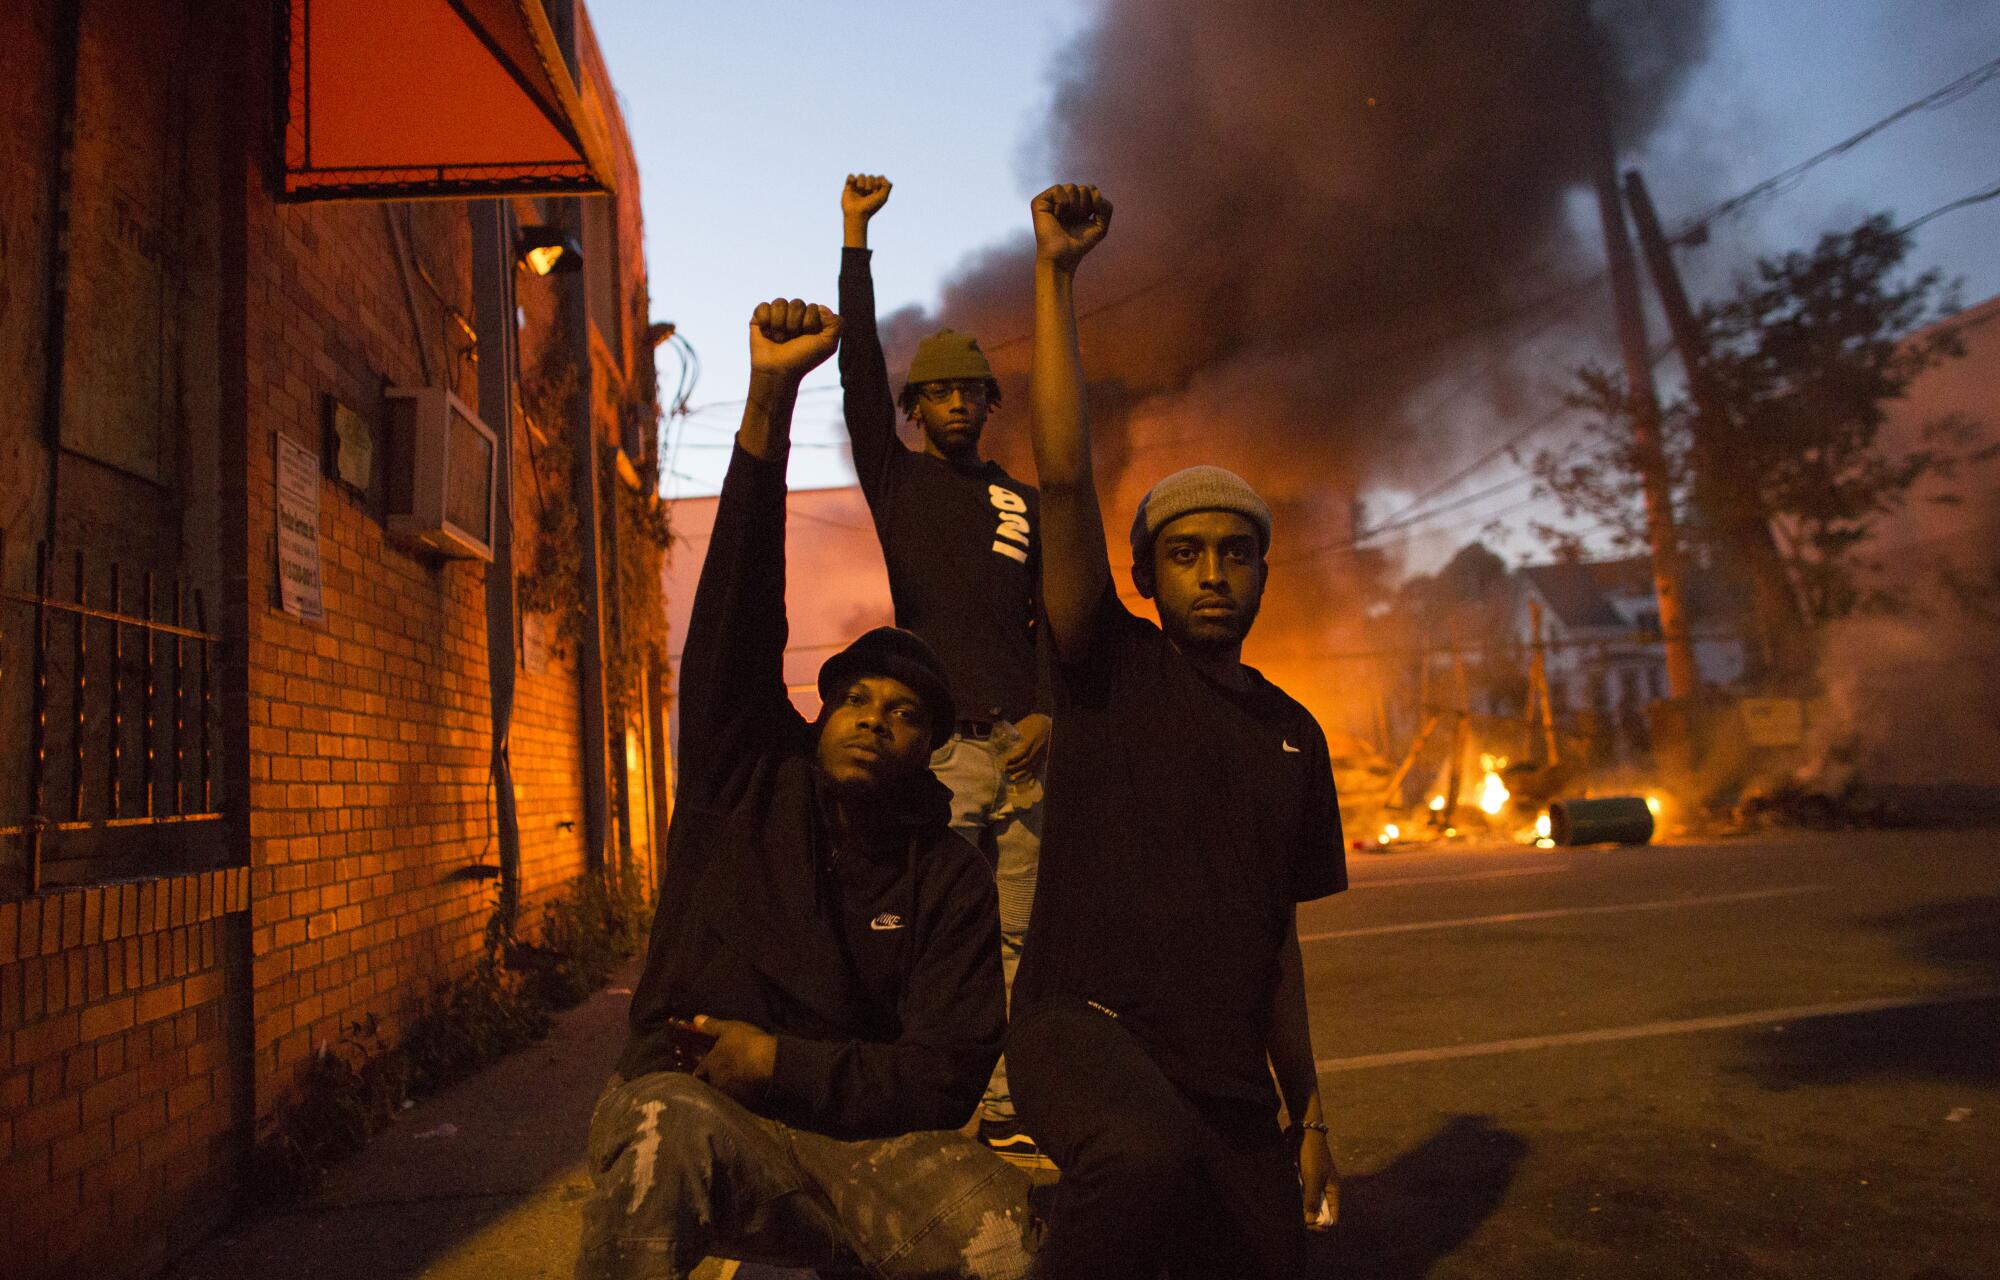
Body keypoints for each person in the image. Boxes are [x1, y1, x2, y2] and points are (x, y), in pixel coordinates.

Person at [574, 298, 1035, 1280]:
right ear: (819, 713)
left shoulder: (944, 875)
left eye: (905, 711)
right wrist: (771, 396)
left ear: (928, 748)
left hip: (847, 1138)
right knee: (658, 1135)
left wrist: (786, 1062)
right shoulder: (743, 782)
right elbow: (741, 608)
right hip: (704, 1109)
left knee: (1001, 1227)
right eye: (855, 697)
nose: (874, 716)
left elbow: (945, 1069)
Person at [1005, 184, 1347, 1279]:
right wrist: (1056, 277)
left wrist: (1311, 1114)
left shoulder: (1293, 732)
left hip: (1223, 1074)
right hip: (1082, 1028)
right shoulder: (1108, 666)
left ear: (1259, 572)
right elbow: (1060, 478)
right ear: (1144, 576)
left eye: (1233, 551)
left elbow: (1277, 946)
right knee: (1140, 1161)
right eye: (1184, 552)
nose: (1210, 570)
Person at [838, 174, 1052, 1165]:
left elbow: (1050, 616)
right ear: (915, 410)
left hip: (1028, 748)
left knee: (1020, 935)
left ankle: (1005, 1110)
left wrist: (1051, 710)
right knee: (932, 935)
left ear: (987, 404)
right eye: (938, 392)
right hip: (950, 749)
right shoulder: (898, 480)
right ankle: (931, 1103)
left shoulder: (1017, 501)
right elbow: (851, 369)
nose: (957, 402)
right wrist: (854, 239)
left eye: (971, 389)